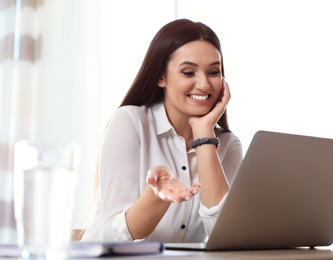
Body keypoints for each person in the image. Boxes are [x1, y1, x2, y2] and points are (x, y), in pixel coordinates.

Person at [81, 18, 243, 243]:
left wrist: (205, 135)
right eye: (188, 72)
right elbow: (111, 237)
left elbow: (226, 237)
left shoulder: (227, 144)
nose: (204, 85)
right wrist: (156, 197)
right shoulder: (131, 122)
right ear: (161, 77)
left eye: (214, 72)